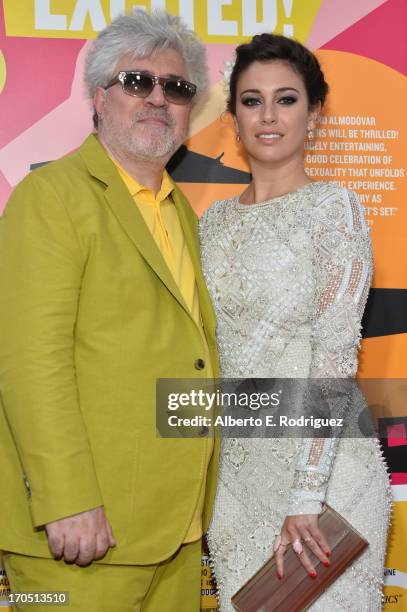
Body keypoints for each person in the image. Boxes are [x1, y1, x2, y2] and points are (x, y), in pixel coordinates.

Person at [0, 9, 219, 612]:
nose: (158, 99)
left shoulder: (180, 214)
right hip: (80, 535)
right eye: (136, 81)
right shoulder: (52, 198)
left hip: (173, 532)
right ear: (99, 97)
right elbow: (30, 363)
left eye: (176, 88)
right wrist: (67, 499)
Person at [199, 34, 391, 611]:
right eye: (252, 100)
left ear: (314, 112)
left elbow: (334, 357)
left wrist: (306, 496)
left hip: (326, 479)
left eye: (286, 99)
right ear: (233, 116)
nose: (269, 116)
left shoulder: (335, 209)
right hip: (233, 481)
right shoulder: (210, 225)